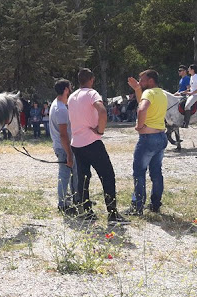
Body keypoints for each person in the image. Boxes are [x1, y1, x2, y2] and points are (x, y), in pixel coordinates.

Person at [68, 68, 129, 225]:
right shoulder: (92, 94)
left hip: (77, 142)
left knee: (83, 178)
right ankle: (112, 214)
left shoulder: (72, 97)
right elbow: (102, 111)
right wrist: (100, 130)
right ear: (92, 79)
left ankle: (86, 211)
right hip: (92, 141)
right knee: (107, 175)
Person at [125, 70, 168, 215]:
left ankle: (137, 206)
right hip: (161, 136)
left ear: (150, 81)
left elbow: (141, 108)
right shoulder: (161, 93)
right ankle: (155, 204)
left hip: (147, 139)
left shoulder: (149, 93)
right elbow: (141, 102)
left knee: (139, 172)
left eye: (142, 80)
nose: (140, 82)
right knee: (156, 173)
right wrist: (137, 89)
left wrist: (139, 125)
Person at [49, 79, 79, 215]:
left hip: (61, 146)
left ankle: (74, 199)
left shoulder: (57, 105)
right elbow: (63, 134)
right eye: (70, 87)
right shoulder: (60, 109)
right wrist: (69, 154)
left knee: (70, 174)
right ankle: (63, 204)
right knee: (65, 175)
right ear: (66, 89)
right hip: (63, 147)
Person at [182, 64, 197, 128]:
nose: (188, 70)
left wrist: (191, 93)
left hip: (196, 95)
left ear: (192, 70)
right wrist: (185, 91)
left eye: (189, 69)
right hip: (191, 94)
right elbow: (191, 87)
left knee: (187, 106)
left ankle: (186, 123)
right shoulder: (191, 77)